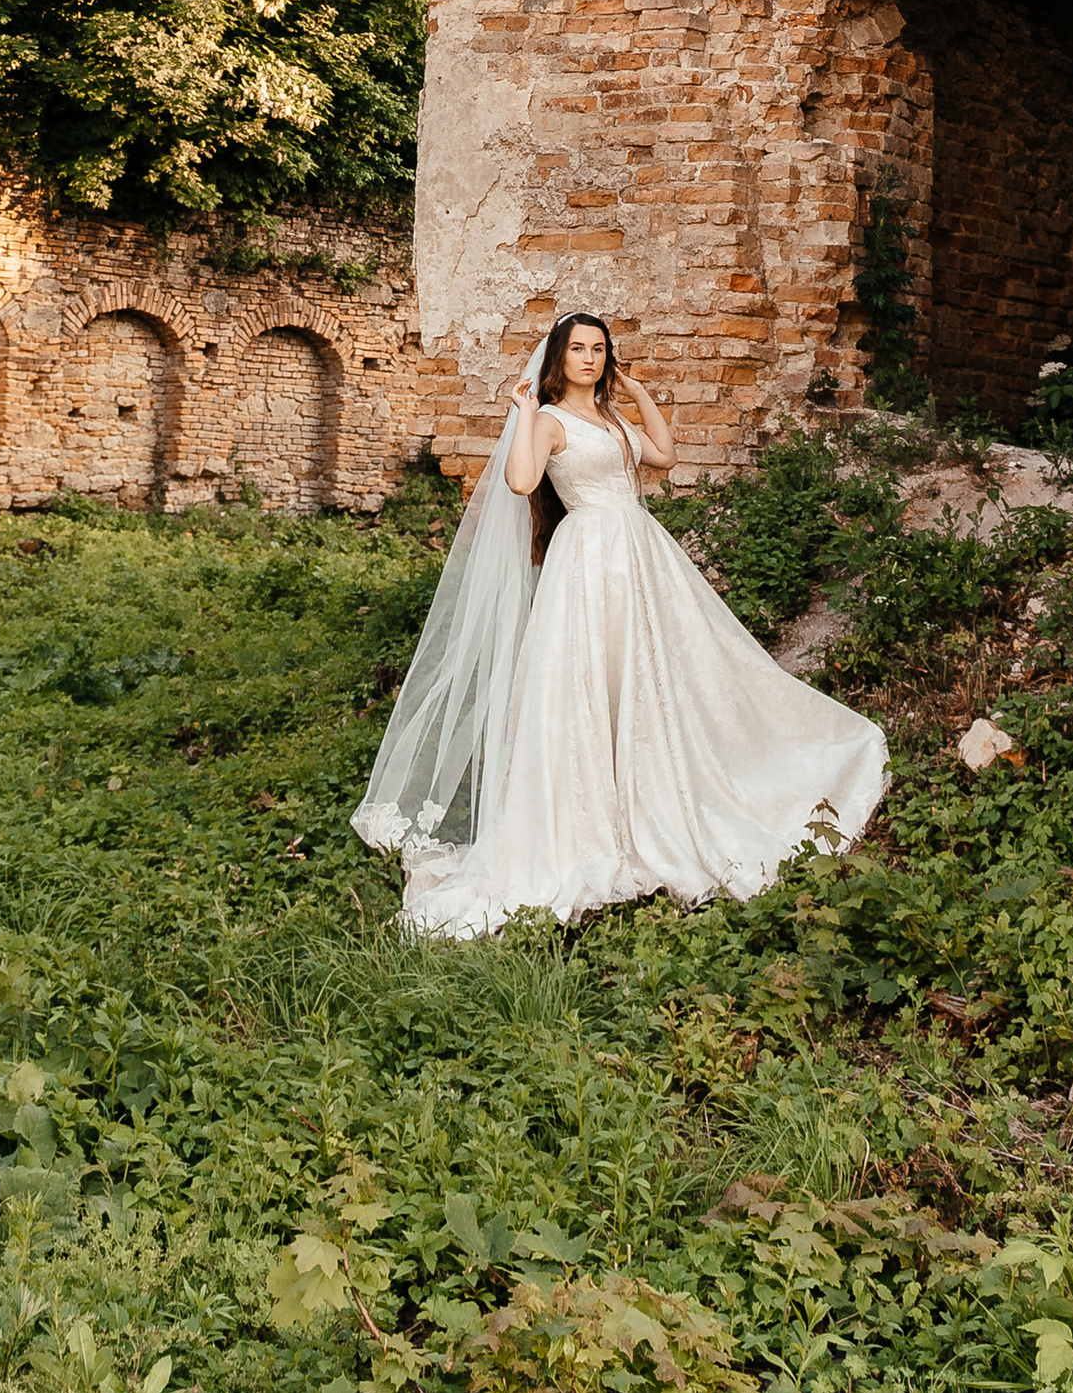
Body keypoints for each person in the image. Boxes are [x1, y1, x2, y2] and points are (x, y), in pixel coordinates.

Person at [352, 309, 888, 937]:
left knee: (664, 676)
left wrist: (638, 394)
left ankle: (664, 795)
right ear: (559, 357)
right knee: (589, 684)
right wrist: (523, 412)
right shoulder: (550, 421)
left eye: (599, 349)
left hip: (639, 553)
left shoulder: (608, 416)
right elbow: (522, 480)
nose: (590, 358)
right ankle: (593, 823)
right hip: (588, 562)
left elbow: (662, 455)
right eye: (578, 349)